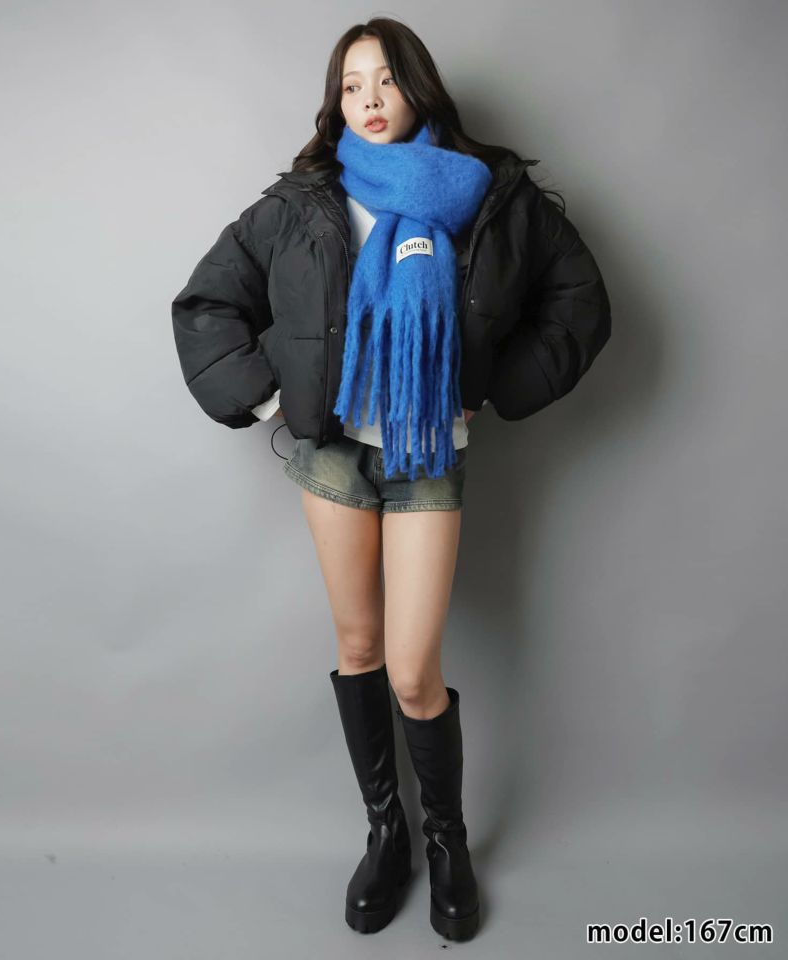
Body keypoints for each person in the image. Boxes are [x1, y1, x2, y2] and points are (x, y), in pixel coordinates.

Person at [171, 17, 611, 942]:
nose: (368, 101)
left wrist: (492, 389)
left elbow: (578, 300)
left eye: (384, 81)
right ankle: (387, 833)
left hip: (425, 453)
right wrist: (270, 400)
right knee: (361, 645)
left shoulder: (486, 194)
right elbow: (208, 302)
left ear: (417, 85)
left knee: (414, 672)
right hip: (333, 454)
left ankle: (446, 838)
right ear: (336, 102)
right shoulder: (306, 200)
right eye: (350, 86)